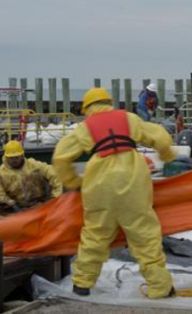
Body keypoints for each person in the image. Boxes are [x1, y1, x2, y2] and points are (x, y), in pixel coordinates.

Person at [52, 87, 176, 298]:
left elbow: (61, 157)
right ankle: (160, 287)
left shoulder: (85, 127)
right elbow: (162, 138)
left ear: (87, 108)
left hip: (99, 183)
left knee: (95, 235)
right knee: (144, 235)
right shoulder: (128, 118)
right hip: (132, 180)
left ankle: (81, 284)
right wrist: (167, 156)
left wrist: (73, 182)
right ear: (109, 101)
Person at [0, 140, 62, 215]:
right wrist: (11, 203)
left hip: (39, 204)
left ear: (22, 155)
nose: (14, 160)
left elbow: (55, 174)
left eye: (16, 157)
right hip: (14, 209)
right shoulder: (1, 172)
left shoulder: (34, 165)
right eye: (11, 157)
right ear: (5, 157)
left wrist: (54, 198)